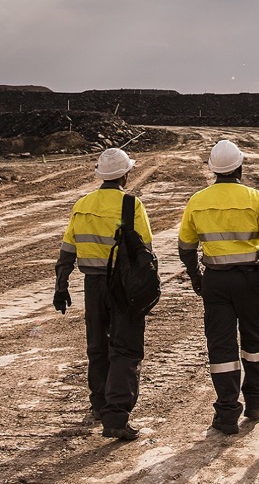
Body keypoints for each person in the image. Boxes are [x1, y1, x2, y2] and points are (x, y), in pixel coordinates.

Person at [178, 139, 259, 435]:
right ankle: (256, 403)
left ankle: (227, 412)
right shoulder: (256, 198)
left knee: (221, 345)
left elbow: (185, 248)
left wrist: (196, 277)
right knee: (253, 341)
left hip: (215, 280)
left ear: (213, 170)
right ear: (240, 166)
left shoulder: (198, 200)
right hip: (250, 280)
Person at [53, 148, 153, 441]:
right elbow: (145, 251)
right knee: (125, 348)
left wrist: (61, 285)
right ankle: (116, 417)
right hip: (122, 286)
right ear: (125, 174)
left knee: (97, 345)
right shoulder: (131, 205)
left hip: (93, 285)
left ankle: (99, 405)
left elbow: (68, 248)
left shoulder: (82, 204)